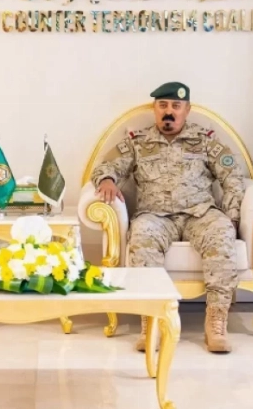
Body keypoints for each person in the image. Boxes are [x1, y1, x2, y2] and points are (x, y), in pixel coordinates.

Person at [91, 82, 244, 353]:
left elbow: (232, 177)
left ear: (187, 109)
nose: (169, 112)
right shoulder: (138, 142)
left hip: (200, 213)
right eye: (163, 106)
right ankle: (150, 323)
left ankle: (216, 322)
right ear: (155, 109)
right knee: (142, 236)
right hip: (156, 216)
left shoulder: (205, 140)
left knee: (221, 232)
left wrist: (232, 217)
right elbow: (106, 165)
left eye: (176, 106)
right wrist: (106, 180)